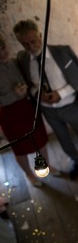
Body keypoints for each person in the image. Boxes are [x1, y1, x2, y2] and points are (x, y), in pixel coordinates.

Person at [13, 19, 78, 183]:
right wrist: (38, 93)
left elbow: (77, 79)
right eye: (25, 44)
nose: (31, 47)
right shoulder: (23, 59)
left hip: (70, 105)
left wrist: (60, 93)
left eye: (33, 41)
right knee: (63, 138)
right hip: (48, 110)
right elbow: (29, 85)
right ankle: (76, 161)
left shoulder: (62, 52)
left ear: (40, 35)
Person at [0, 34, 57, 187]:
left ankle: (47, 165)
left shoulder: (15, 62)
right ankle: (29, 174)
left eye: (3, 48)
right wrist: (14, 94)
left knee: (41, 140)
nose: (2, 53)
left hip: (28, 108)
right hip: (9, 114)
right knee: (20, 148)